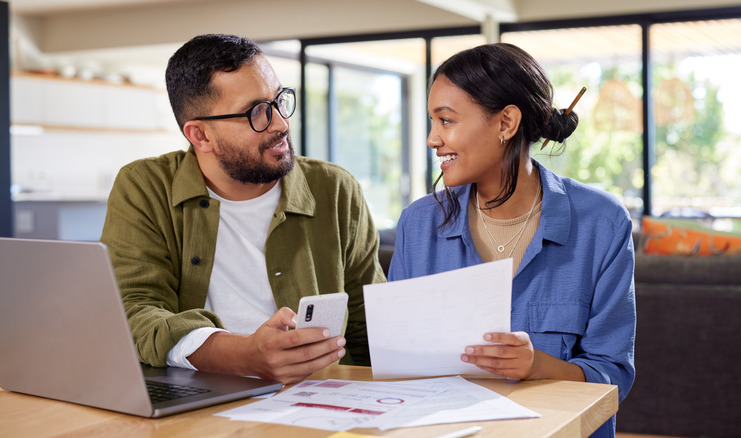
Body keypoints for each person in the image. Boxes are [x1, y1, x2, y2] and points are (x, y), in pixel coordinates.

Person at [100, 34, 385, 385]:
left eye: (279, 101)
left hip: (322, 392)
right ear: (200, 135)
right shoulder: (145, 186)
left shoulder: (335, 189)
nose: (281, 123)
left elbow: (369, 321)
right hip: (199, 396)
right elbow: (135, 310)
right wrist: (244, 355)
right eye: (257, 113)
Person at [387, 43, 635, 437]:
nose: (433, 139)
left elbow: (614, 376)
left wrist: (539, 366)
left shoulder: (601, 223)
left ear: (506, 123)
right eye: (432, 122)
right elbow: (397, 365)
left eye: (446, 121)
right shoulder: (418, 225)